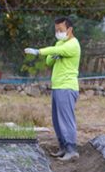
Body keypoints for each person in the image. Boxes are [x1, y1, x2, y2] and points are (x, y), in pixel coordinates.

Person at [25, 15, 82, 161]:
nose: (58, 33)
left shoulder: (73, 44)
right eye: (56, 30)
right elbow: (49, 62)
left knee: (66, 119)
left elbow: (50, 52)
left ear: (69, 29)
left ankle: (71, 149)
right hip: (58, 87)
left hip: (67, 87)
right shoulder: (60, 45)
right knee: (57, 120)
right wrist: (54, 53)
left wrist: (39, 51)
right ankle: (63, 147)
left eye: (61, 30)